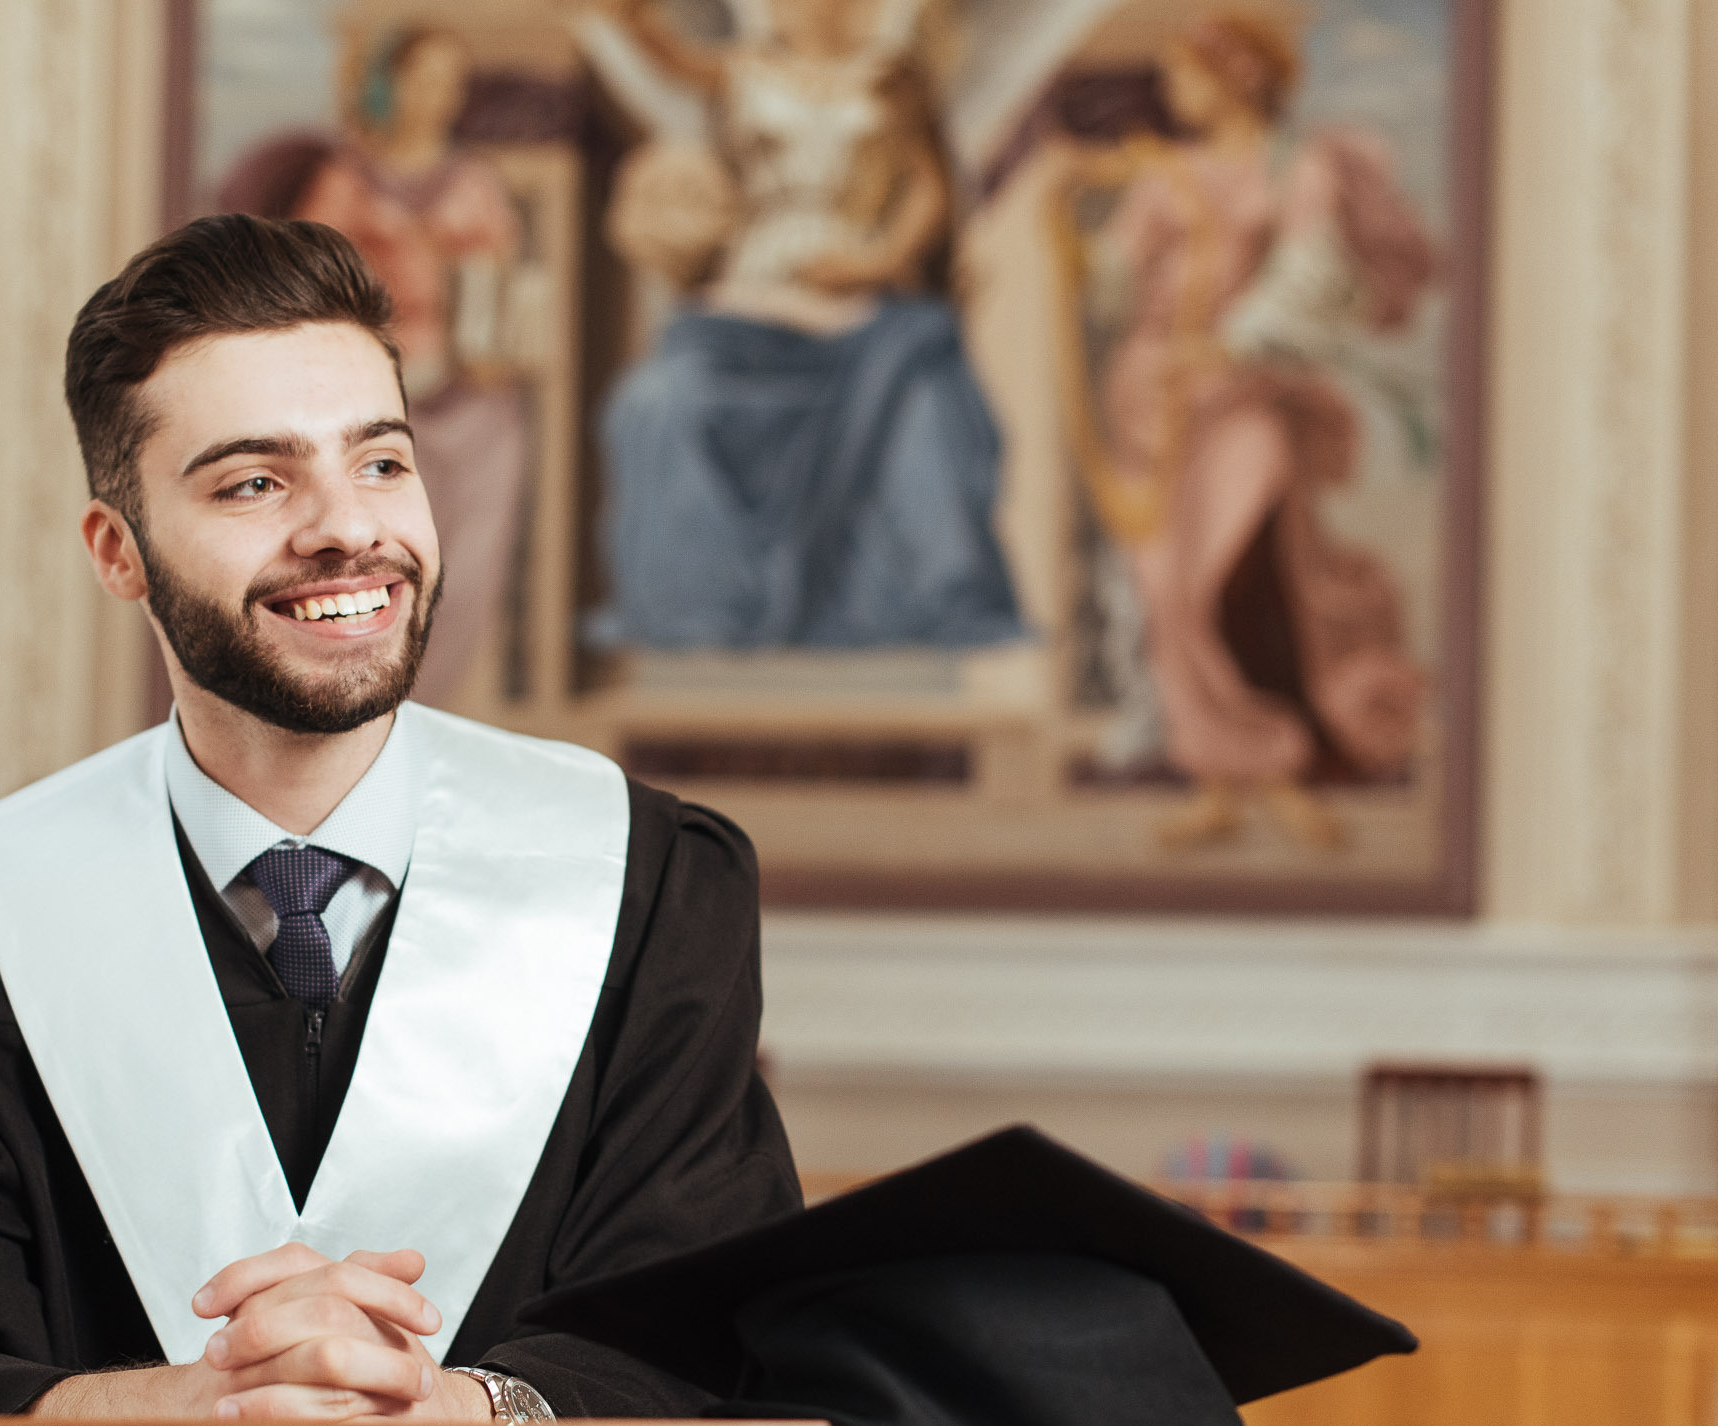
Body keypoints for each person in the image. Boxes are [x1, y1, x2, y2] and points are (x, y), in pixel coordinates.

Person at [0, 214, 801, 1426]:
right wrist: (196, 1409)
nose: (345, 527)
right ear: (118, 550)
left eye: (380, 459)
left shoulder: (648, 885)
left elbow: (714, 1327)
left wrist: (461, 1411)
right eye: (255, 480)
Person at [1052, 12, 1432, 851]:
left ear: (1238, 78)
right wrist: (1072, 238)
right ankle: (1221, 773)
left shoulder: (1295, 166)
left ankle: (1282, 760)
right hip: (1156, 400)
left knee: (1247, 558)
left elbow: (1311, 275)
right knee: (1168, 584)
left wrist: (1231, 342)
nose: (1174, 92)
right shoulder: (1168, 177)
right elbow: (1116, 279)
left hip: (1242, 388)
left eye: (1188, 74)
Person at [576, 0, 1024, 651]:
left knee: (924, 394)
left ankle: (928, 591)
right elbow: (669, 60)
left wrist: (877, 259)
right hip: (750, 298)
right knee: (658, 402)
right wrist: (633, 19)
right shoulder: (743, 70)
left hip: (862, 302)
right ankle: (696, 604)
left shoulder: (895, 77)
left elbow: (929, 188)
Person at [218, 24, 532, 708]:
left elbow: (495, 288)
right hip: (367, 389)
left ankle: (427, 697)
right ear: (391, 86)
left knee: (459, 560)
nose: (437, 98)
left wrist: (482, 342)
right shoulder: (347, 182)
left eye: (450, 84)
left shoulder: (473, 184)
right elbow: (304, 286)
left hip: (463, 398)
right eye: (424, 80)